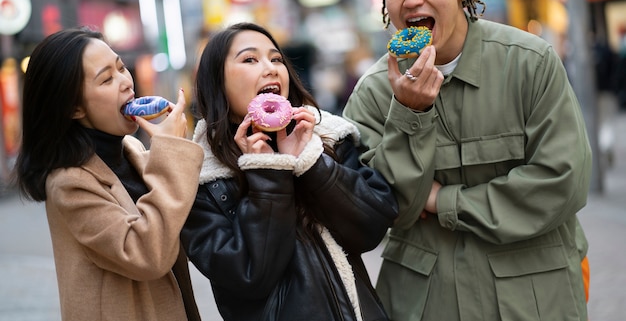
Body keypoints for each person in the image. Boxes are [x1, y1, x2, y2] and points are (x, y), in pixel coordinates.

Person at [342, 0, 591, 321]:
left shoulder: (528, 63)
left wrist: (443, 200)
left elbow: (563, 181)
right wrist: (409, 113)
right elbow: (385, 211)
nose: (411, 0)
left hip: (533, 298)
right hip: (426, 302)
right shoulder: (373, 93)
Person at [181, 22, 398, 321]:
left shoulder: (328, 138)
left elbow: (371, 228)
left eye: (276, 59)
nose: (270, 69)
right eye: (249, 59)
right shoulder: (203, 181)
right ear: (217, 84)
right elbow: (249, 275)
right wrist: (267, 173)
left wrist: (311, 162)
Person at [13, 27, 204, 321]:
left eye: (121, 67)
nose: (126, 82)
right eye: (106, 79)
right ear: (73, 107)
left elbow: (180, 224)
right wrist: (172, 152)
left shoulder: (132, 148)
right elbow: (148, 254)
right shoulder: (69, 182)